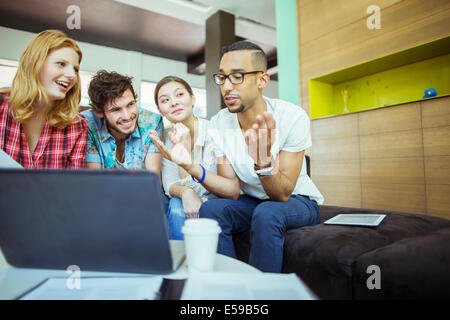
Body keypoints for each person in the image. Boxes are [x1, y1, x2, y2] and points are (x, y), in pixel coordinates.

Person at [154, 41, 324, 273]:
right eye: (222, 78)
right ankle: (229, 286)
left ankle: (259, 294)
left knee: (268, 213)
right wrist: (190, 166)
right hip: (252, 200)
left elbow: (282, 194)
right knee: (212, 210)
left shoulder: (292, 117)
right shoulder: (220, 123)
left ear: (262, 80)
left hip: (297, 199)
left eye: (237, 77)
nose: (226, 87)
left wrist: (263, 163)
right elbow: (231, 188)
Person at [0, 29, 88, 168]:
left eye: (76, 69)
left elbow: (73, 186)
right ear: (35, 64)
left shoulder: (76, 125)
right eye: (61, 64)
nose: (72, 75)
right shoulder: (2, 108)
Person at [82, 70, 168, 211]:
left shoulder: (152, 122)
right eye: (116, 110)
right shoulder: (87, 124)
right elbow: (96, 185)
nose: (127, 116)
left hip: (144, 197)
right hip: (104, 198)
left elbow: (153, 183)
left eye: (130, 104)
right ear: (99, 112)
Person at [150, 76, 217, 240]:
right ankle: (179, 262)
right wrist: (186, 192)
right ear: (160, 110)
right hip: (183, 201)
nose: (173, 103)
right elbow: (169, 184)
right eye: (165, 100)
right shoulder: (165, 139)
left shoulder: (213, 131)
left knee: (178, 205)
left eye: (179, 95)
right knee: (176, 205)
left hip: (217, 198)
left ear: (192, 98)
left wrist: (185, 156)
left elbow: (210, 187)